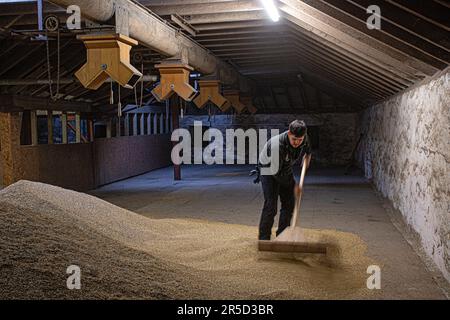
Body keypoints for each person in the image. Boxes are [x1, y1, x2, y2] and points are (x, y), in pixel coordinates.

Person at [254, 120, 312, 240]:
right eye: (294, 139)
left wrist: (308, 156)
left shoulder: (304, 137)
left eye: (300, 140)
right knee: (271, 206)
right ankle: (264, 239)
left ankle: (282, 236)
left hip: (284, 166)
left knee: (289, 203)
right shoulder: (277, 146)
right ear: (289, 134)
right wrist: (294, 186)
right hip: (269, 170)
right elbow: (277, 173)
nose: (297, 142)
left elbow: (307, 148)